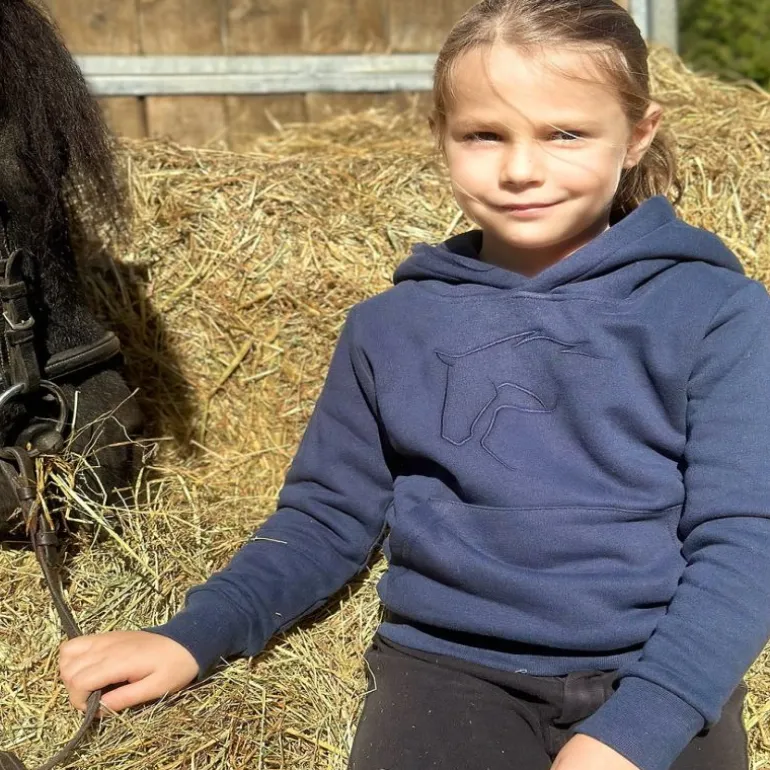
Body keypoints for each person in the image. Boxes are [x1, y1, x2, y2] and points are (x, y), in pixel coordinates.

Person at [58, 1, 770, 768]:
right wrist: (195, 634)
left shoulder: (714, 311)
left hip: (653, 667)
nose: (521, 168)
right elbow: (328, 516)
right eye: (482, 135)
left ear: (637, 135)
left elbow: (744, 538)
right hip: (447, 670)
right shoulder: (390, 328)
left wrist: (639, 730)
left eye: (565, 133)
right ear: (441, 136)